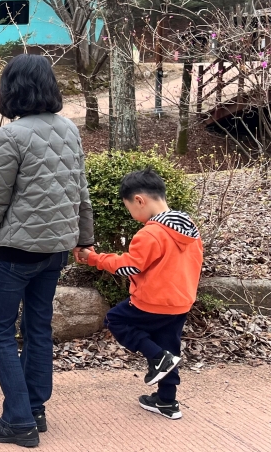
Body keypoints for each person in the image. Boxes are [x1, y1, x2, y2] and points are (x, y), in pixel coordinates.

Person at [0, 54, 93, 447]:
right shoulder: (69, 129)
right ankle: (35, 410)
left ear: (11, 89)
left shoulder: (10, 136)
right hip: (56, 250)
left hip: (16, 253)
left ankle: (19, 421)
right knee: (38, 328)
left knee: (0, 331)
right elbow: (81, 190)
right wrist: (85, 238)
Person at [76, 169, 203, 420]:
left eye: (130, 209)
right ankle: (167, 401)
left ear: (139, 200)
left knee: (116, 319)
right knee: (169, 346)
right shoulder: (189, 229)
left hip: (151, 301)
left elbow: (129, 266)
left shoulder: (151, 233)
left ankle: (156, 357)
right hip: (180, 302)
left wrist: (94, 258)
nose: (132, 216)